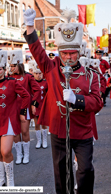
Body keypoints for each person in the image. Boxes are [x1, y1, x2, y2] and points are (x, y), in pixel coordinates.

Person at [23, 8, 103, 194]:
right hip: (59, 131)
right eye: (64, 53)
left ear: (79, 52)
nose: (68, 57)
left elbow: (97, 102)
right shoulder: (51, 70)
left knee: (85, 171)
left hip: (83, 132)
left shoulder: (91, 75)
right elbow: (37, 51)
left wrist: (77, 99)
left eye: (72, 53)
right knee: (61, 173)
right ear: (59, 52)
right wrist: (29, 26)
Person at [0, 50, 30, 186]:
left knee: (6, 151)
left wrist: (22, 112)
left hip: (8, 121)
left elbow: (26, 96)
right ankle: (0, 179)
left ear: (4, 69)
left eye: (0, 69)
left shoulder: (12, 82)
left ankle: (10, 179)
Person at [7, 50, 41, 164]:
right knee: (15, 133)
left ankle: (26, 154)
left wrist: (33, 104)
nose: (11, 68)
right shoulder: (8, 78)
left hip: (24, 107)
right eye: (10, 66)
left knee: (25, 132)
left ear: (19, 65)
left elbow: (37, 91)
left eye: (13, 66)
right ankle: (19, 155)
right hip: (12, 108)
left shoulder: (28, 76)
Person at [32, 60, 48, 148]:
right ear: (33, 73)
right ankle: (39, 141)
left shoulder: (45, 82)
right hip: (36, 105)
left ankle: (44, 140)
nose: (38, 75)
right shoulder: (32, 83)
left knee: (43, 123)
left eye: (40, 73)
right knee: (37, 123)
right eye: (36, 73)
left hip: (43, 105)